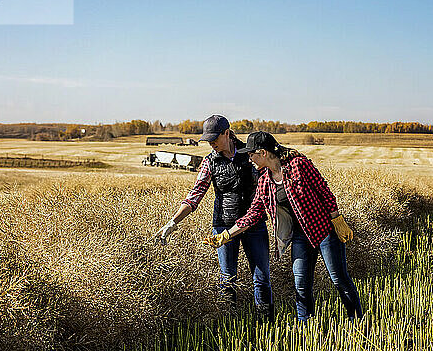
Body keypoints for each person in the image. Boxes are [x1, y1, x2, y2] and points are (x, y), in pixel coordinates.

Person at [204, 131, 363, 322]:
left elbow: (324, 190)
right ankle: (305, 328)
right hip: (300, 237)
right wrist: (226, 235)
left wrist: (337, 219)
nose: (248, 158)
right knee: (301, 285)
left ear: (263, 153)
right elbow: (254, 214)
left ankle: (358, 321)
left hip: (324, 231)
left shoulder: (298, 165)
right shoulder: (264, 181)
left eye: (251, 154)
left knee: (339, 279)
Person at [154, 115, 273, 320]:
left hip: (254, 225)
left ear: (227, 133)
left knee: (261, 278)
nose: (210, 143)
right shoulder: (210, 162)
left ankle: (267, 324)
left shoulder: (250, 154)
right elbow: (195, 195)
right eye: (207, 139)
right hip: (223, 227)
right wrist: (172, 223)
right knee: (227, 279)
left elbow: (271, 181)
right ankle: (229, 325)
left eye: (214, 138)